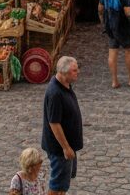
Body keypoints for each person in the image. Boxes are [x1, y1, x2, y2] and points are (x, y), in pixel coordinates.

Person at [41, 56, 83, 195]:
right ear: (64, 73)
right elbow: (54, 123)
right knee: (57, 183)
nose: (78, 72)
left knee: (63, 184)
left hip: (68, 146)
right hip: (60, 149)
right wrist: (66, 148)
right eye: (74, 70)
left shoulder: (65, 85)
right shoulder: (55, 94)